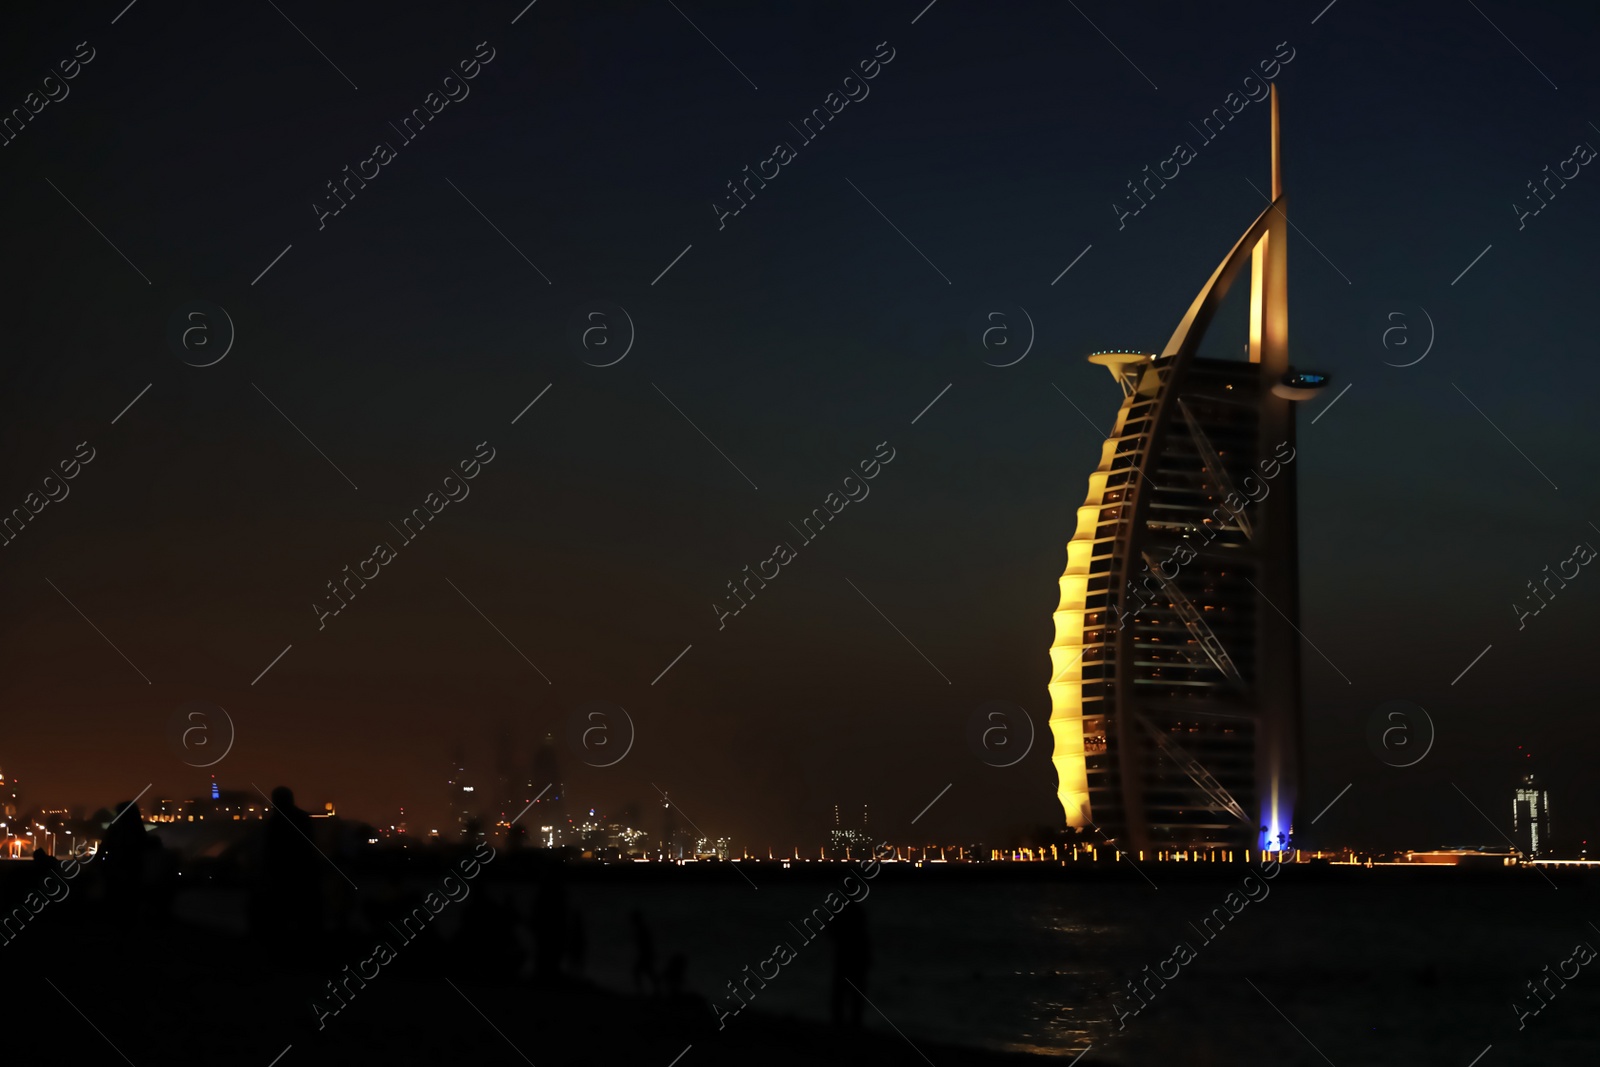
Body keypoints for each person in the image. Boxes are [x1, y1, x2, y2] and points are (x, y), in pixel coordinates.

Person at [829, 900, 870, 1026]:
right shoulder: (855, 911)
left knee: (843, 993)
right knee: (851, 994)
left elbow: (829, 932)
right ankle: (851, 1022)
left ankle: (844, 1022)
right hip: (852, 957)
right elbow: (864, 935)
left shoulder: (840, 911)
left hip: (846, 957)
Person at [630, 910, 658, 995]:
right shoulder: (641, 929)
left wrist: (647, 953)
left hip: (645, 954)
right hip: (646, 954)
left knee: (640, 971)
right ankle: (655, 990)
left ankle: (642, 991)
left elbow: (646, 943)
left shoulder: (642, 929)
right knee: (649, 972)